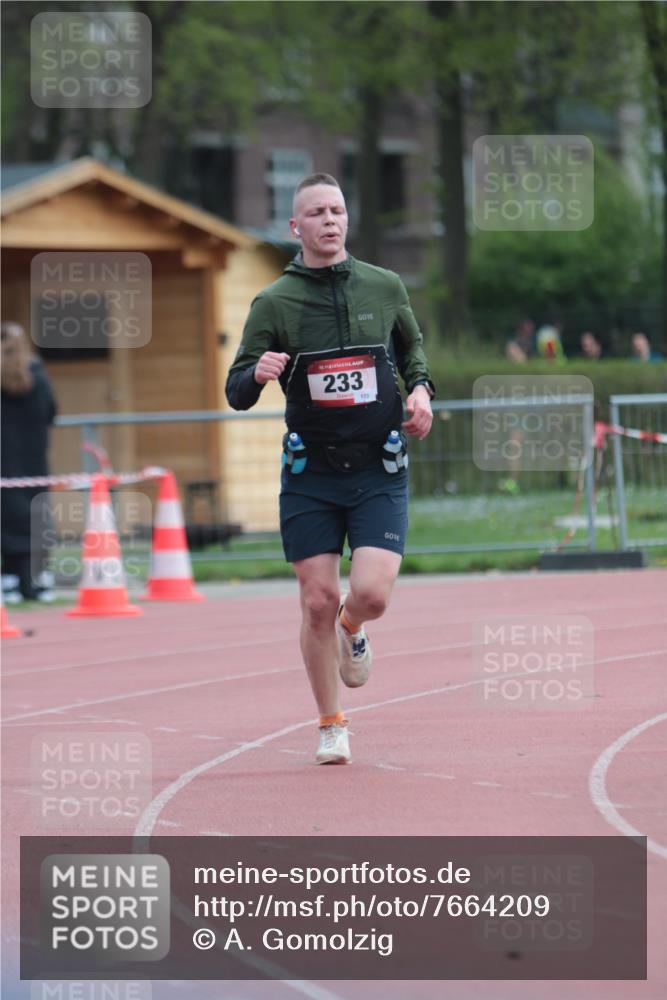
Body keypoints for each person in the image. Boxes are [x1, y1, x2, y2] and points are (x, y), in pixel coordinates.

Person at [225, 173, 434, 765]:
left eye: (337, 210)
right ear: (296, 227)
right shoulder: (274, 302)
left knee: (370, 594)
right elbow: (236, 389)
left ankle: (353, 626)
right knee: (314, 599)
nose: (329, 220)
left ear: (348, 219)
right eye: (316, 212)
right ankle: (330, 723)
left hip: (378, 467)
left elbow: (413, 353)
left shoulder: (385, 285)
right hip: (312, 473)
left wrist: (421, 392)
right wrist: (257, 373)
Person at [1, 322, 57, 602]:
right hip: (34, 461)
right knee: (36, 516)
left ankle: (8, 581)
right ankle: (38, 581)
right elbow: (50, 412)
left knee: (7, 518)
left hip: (4, 463)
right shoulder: (39, 377)